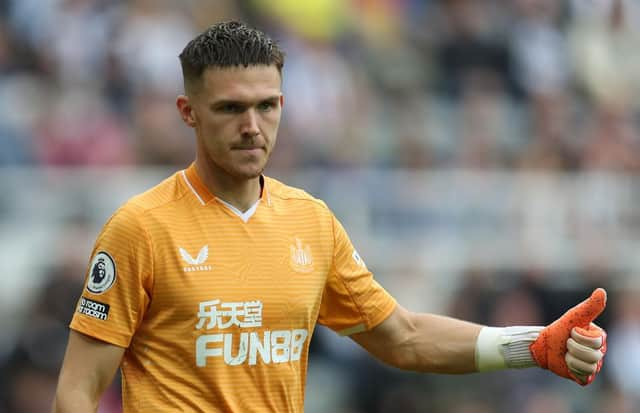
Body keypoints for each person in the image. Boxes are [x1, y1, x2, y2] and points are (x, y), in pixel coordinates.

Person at [51, 21, 608, 412]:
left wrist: (530, 346)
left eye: (266, 105)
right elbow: (77, 392)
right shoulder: (141, 229)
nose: (252, 125)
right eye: (230, 108)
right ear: (187, 113)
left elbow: (403, 338)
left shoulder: (310, 223)